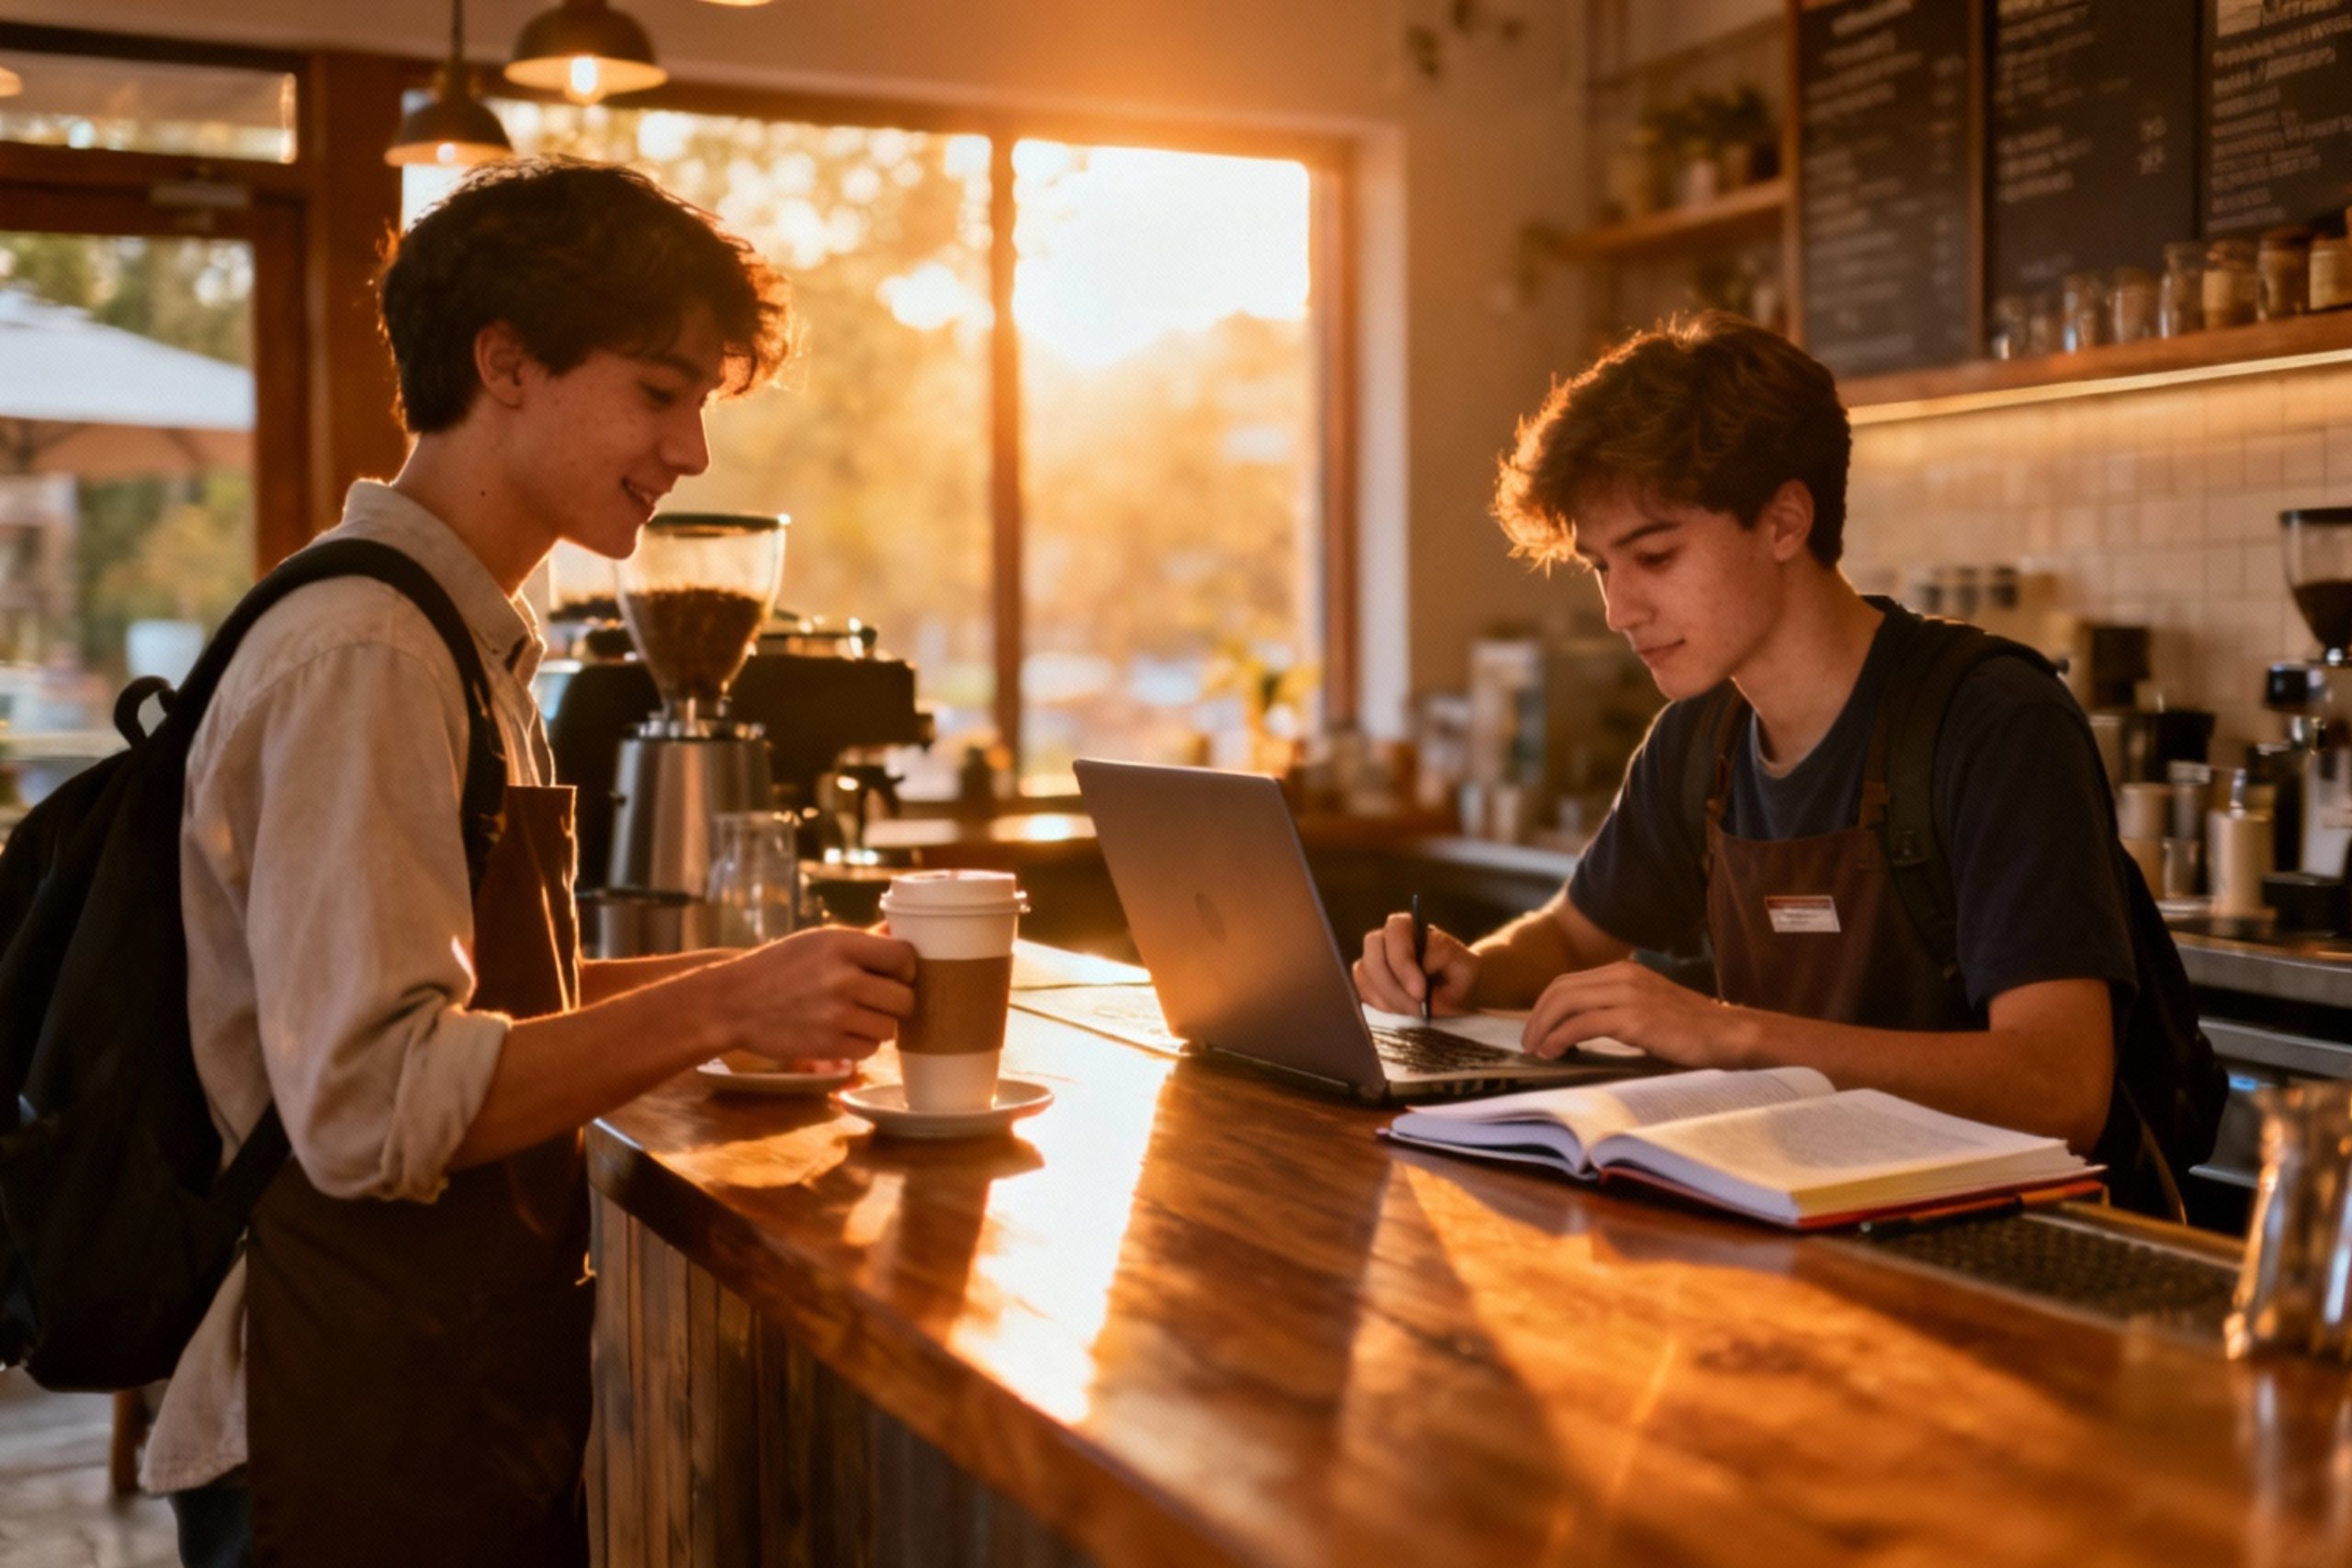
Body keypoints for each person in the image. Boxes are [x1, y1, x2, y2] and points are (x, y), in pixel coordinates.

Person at [143, 158, 918, 1566]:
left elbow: (481, 992)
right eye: (660, 391)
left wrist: (760, 974)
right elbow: (371, 1102)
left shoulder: (456, 634)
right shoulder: (370, 653)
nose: (692, 451)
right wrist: (728, 1009)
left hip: (440, 1388)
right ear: (505, 362)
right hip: (346, 1423)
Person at [1353, 311, 2219, 1214]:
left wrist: (1726, 1035)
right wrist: (1464, 973)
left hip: (2025, 1256)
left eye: (1653, 554)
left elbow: (2059, 1091)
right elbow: (1572, 935)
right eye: (1599, 567)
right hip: (1805, 1226)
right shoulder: (1701, 735)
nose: (1617, 610)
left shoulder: (1993, 723)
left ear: (1782, 520)